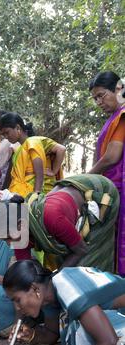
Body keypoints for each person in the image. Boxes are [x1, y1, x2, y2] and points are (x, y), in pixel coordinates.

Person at [27, 174, 119, 271]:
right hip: (66, 194)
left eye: (9, 238)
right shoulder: (15, 219)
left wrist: (56, 278)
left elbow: (81, 250)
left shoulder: (52, 218)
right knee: (63, 258)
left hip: (100, 192)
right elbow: (23, 262)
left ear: (20, 223)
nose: (10, 243)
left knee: (87, 265)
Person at [88, 71, 125, 275]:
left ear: (118, 89)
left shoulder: (121, 115)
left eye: (101, 95)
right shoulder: (112, 119)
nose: (98, 102)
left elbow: (112, 156)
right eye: (95, 98)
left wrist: (86, 178)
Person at [0, 113, 65, 196]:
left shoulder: (32, 142)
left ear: (18, 128)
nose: (6, 137)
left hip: (34, 191)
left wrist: (36, 193)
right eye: (3, 134)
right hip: (22, 191)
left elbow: (61, 149)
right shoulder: (19, 150)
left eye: (7, 132)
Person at [0, 109, 16, 190]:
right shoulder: (0, 141)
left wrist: (4, 189)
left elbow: (10, 167)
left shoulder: (11, 141)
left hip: (7, 187)